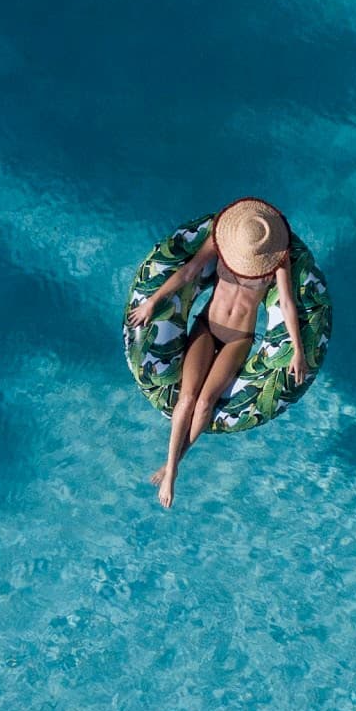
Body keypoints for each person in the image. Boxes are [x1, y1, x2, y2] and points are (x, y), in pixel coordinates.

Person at [126, 197, 306, 509]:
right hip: (207, 326)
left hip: (239, 338)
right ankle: (170, 467)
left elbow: (287, 303)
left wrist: (298, 350)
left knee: (206, 402)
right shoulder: (220, 242)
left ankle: (173, 466)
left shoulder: (278, 259)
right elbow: (189, 273)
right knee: (187, 398)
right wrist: (152, 302)